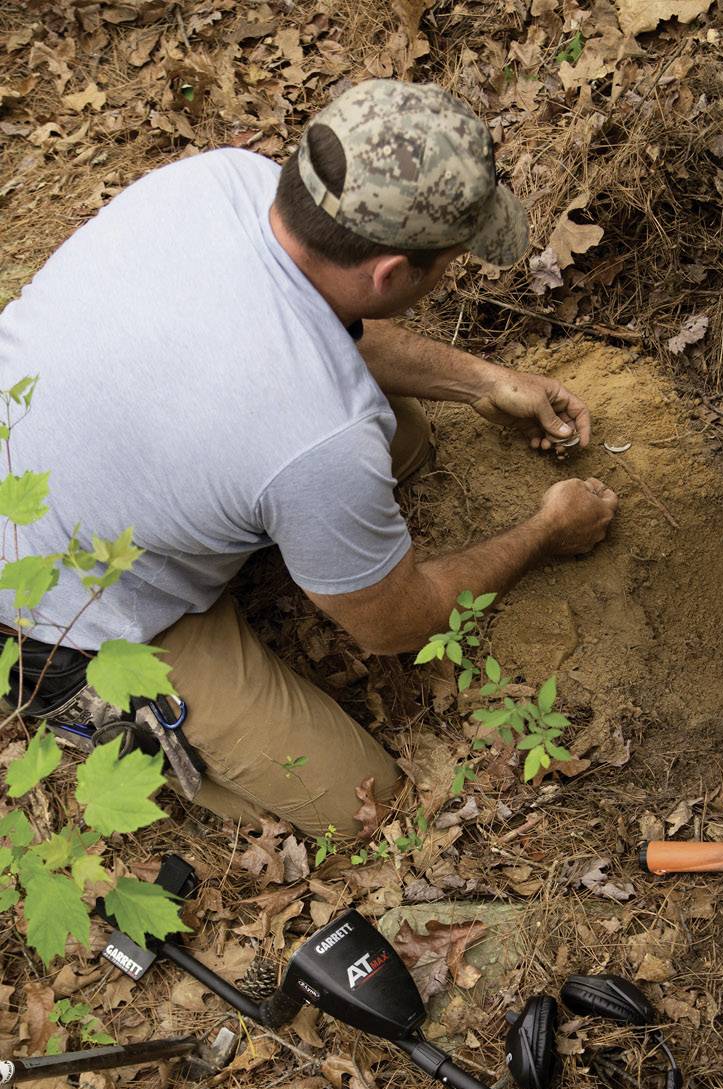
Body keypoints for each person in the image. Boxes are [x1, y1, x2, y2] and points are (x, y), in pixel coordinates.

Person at [0, 80, 618, 835]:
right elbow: (395, 626)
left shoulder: (223, 180)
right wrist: (547, 534)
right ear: (393, 273)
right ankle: (93, 706)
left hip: (51, 463)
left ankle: (242, 526)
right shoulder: (317, 437)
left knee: (402, 435)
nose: (451, 273)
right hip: (55, 617)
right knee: (359, 806)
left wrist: (488, 382)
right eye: (449, 261)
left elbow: (320, 322)